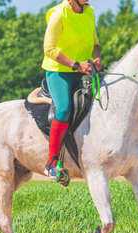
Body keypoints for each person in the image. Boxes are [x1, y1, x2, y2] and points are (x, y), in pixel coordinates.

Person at [42, 0, 102, 179]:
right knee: (64, 108)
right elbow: (49, 49)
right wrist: (76, 65)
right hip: (59, 72)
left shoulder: (89, 12)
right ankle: (52, 163)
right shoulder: (58, 14)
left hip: (84, 70)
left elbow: (95, 43)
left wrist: (97, 58)